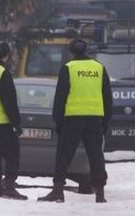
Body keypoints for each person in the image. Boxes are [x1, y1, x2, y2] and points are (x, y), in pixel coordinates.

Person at [38, 39, 113, 203]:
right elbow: (107, 98)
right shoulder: (99, 68)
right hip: (94, 119)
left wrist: (58, 121)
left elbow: (60, 97)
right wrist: (106, 121)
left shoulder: (68, 68)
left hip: (73, 119)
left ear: (71, 51)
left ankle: (58, 190)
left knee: (64, 155)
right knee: (96, 156)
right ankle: (100, 193)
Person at [0, 41, 27, 200]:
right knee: (12, 155)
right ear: (6, 55)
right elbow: (9, 101)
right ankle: (9, 187)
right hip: (2, 122)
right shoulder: (2, 73)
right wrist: (17, 124)